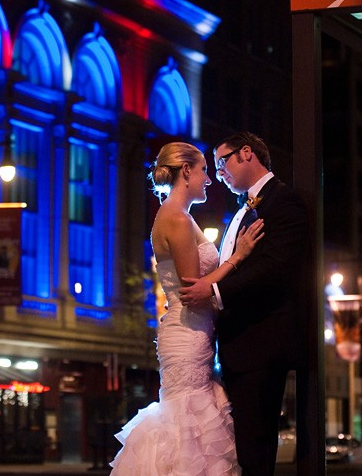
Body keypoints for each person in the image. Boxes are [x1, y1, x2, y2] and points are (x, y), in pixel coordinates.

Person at [110, 141, 264, 475]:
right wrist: (239, 256)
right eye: (205, 171)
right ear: (187, 172)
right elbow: (194, 290)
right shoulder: (177, 220)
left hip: (195, 333)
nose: (210, 179)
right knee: (187, 431)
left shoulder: (180, 217)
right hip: (187, 335)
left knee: (191, 430)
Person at [179, 132, 310, 475]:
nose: (218, 174)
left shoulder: (283, 202)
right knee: (243, 447)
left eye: (222, 163)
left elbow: (277, 268)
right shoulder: (242, 209)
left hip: (261, 343)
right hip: (237, 344)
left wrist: (216, 294)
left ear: (247, 153)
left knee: (256, 447)